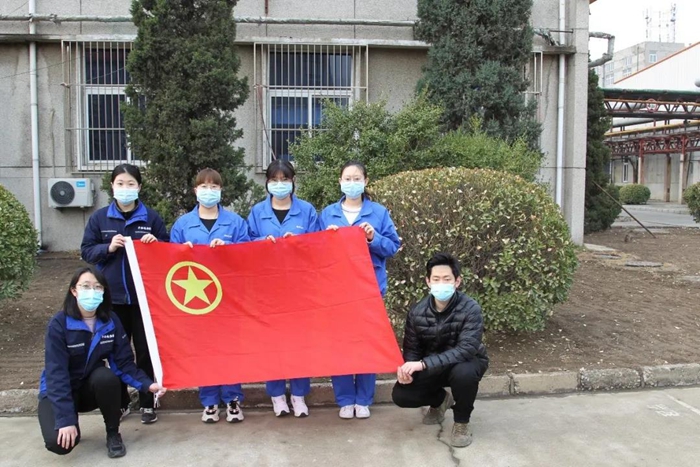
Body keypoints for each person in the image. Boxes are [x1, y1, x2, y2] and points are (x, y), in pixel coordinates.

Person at [38, 266, 166, 458]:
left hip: (90, 389)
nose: (92, 291)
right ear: (74, 290)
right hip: (59, 391)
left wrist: (148, 384)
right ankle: (71, 420)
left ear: (104, 291)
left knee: (106, 377)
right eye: (85, 286)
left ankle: (113, 433)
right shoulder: (59, 324)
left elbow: (123, 363)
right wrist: (66, 419)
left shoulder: (110, 320)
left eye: (97, 287)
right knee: (59, 445)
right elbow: (56, 375)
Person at [80, 163, 169, 425]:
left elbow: (167, 250)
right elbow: (87, 251)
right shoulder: (100, 219)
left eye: (131, 184)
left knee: (145, 351)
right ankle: (120, 402)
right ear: (112, 186)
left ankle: (147, 402)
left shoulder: (150, 218)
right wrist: (108, 247)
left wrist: (155, 245)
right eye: (120, 183)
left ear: (139, 187)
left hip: (143, 299)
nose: (125, 188)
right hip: (111, 300)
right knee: (115, 352)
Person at [319, 160, 401, 420]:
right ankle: (345, 400)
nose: (352, 183)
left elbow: (392, 247)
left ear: (365, 182)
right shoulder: (328, 214)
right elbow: (316, 254)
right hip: (337, 292)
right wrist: (326, 239)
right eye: (347, 179)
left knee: (366, 344)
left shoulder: (378, 212)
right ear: (340, 182)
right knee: (340, 345)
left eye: (357, 179)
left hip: (370, 290)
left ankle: (363, 399)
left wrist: (372, 238)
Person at [170, 168, 250, 424]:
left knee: (230, 349)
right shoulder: (183, 224)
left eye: (214, 187)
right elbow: (169, 262)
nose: (209, 191)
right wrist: (182, 252)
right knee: (204, 350)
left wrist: (230, 249)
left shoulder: (235, 222)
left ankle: (233, 399)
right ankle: (209, 402)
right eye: (203, 187)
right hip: (197, 300)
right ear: (195, 191)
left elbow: (249, 254)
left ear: (221, 190)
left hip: (229, 297)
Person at [391, 253, 489, 448]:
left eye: (447, 279)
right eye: (436, 279)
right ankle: (441, 400)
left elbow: (466, 349)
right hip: (432, 365)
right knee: (401, 395)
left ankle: (461, 422)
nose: (441, 284)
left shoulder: (471, 309)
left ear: (457, 281)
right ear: (428, 281)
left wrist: (423, 364)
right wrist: (408, 371)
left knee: (464, 374)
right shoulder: (417, 312)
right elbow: (412, 349)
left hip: (466, 362)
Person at [247, 160, 319, 418]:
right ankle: (277, 396)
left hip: (299, 290)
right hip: (268, 291)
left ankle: (299, 396)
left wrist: (300, 244)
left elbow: (319, 245)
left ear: (293, 181)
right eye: (274, 180)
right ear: (267, 183)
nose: (280, 185)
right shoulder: (257, 212)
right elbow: (245, 244)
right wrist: (261, 242)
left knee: (299, 343)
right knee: (272, 344)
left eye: (285, 180)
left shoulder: (307, 211)